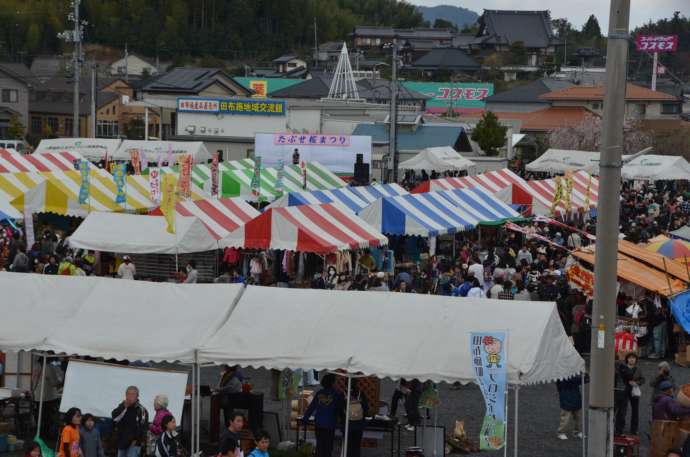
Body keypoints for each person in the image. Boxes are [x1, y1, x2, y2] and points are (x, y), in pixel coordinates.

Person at [302, 374, 344, 457]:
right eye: (335, 382)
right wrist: (342, 423)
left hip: (319, 424)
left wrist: (305, 419)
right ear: (332, 383)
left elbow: (311, 407)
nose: (336, 383)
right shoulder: (337, 394)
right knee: (327, 448)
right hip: (330, 425)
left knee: (320, 447)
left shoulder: (319, 393)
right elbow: (340, 410)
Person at [111, 386, 150, 457]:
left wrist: (137, 440)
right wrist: (124, 407)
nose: (130, 396)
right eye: (128, 394)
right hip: (121, 442)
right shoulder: (122, 406)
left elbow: (143, 427)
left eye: (133, 394)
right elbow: (115, 418)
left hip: (134, 445)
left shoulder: (141, 410)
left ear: (137, 396)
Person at [615, 353, 644, 436]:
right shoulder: (622, 367)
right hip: (624, 391)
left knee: (635, 411)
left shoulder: (638, 369)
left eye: (633, 358)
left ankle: (634, 429)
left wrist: (636, 383)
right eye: (630, 358)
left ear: (636, 360)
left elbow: (643, 379)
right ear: (627, 359)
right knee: (622, 410)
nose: (632, 359)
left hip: (634, 391)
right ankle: (619, 429)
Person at [556, 375, 585, 440]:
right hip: (566, 397)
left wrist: (585, 377)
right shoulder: (561, 375)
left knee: (578, 418)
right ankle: (561, 432)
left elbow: (580, 381)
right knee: (565, 418)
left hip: (575, 397)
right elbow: (572, 381)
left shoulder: (574, 373)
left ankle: (577, 431)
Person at [345, 381, 369, 457]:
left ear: (346, 384)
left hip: (347, 425)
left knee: (348, 446)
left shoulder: (343, 394)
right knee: (357, 446)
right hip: (359, 424)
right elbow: (366, 409)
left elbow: (339, 409)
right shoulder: (360, 394)